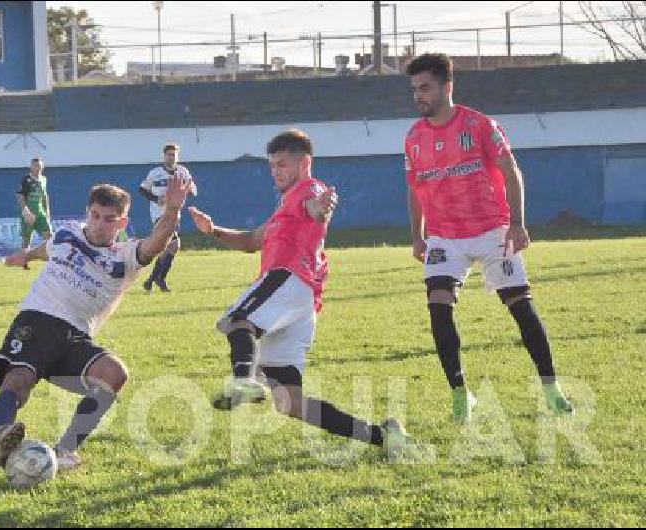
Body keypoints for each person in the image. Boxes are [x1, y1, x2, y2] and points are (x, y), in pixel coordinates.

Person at [189, 129, 413, 452]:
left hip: (288, 280)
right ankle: (384, 436)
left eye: (281, 165)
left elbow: (317, 207)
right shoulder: (284, 208)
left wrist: (322, 207)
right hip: (300, 301)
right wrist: (213, 231)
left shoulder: (308, 190)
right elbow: (253, 240)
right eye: (272, 167)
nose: (276, 172)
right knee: (289, 402)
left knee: (239, 321)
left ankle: (242, 379)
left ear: (304, 162)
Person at [403, 53, 574, 424]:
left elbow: (512, 172)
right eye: (415, 89)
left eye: (425, 88)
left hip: (493, 229)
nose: (419, 96)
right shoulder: (414, 137)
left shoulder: (480, 125)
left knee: (521, 307)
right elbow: (415, 189)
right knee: (438, 307)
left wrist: (517, 223)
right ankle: (461, 394)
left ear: (447, 87)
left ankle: (551, 388)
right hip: (445, 238)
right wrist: (417, 235)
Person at [0, 175, 192, 471]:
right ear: (87, 213)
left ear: (121, 224)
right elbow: (47, 248)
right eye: (95, 215)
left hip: (77, 337)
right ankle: (0, 436)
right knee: (19, 379)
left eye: (109, 219)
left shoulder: (126, 256)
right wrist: (25, 255)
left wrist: (172, 210)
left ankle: (66, 451)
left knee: (113, 374)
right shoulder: (67, 234)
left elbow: (156, 242)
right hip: (39, 318)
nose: (98, 224)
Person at [139, 143, 197, 292]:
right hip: (159, 214)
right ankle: (160, 279)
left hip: (175, 213)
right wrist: (156, 199)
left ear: (178, 156)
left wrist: (188, 190)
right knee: (174, 244)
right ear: (164, 156)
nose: (171, 157)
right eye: (169, 154)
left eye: (174, 154)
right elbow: (142, 189)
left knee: (167, 247)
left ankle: (151, 280)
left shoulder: (183, 172)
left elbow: (193, 189)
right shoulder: (155, 172)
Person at [17, 157, 52, 250]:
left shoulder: (44, 179)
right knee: (27, 240)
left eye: (39, 166)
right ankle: (23, 262)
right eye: (35, 166)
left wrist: (47, 211)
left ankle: (51, 260)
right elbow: (20, 195)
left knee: (49, 237)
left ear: (42, 167)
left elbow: (45, 196)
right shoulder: (26, 179)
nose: (38, 168)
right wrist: (25, 211)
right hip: (29, 214)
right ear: (31, 167)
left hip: (40, 214)